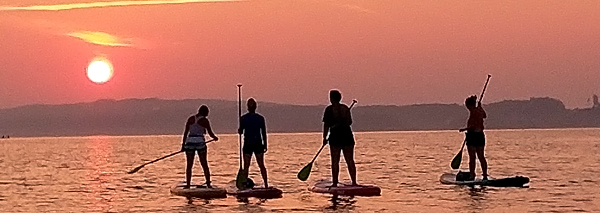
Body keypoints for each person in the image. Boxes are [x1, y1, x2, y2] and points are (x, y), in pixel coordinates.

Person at [322, 90, 357, 187]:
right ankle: (353, 182)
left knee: (335, 161)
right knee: (350, 160)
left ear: (332, 98)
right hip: (347, 135)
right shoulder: (345, 108)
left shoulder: (329, 109)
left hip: (336, 136)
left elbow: (326, 125)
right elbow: (350, 122)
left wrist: (324, 138)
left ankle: (335, 183)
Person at [181, 105, 219, 188]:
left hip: (189, 142)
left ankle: (188, 184)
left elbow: (185, 132)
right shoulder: (205, 121)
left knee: (189, 165)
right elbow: (210, 133)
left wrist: (183, 145)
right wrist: (215, 138)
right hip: (200, 143)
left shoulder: (190, 119)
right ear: (205, 112)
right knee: (204, 164)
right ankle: (208, 184)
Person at [238, 98, 269, 188]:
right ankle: (266, 184)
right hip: (257, 144)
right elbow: (264, 133)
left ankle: (244, 185)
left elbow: (241, 131)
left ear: (247, 107)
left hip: (249, 144)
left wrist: (239, 130)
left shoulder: (243, 118)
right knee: (261, 165)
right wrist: (265, 144)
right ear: (256, 107)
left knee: (246, 166)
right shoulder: (260, 118)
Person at [459, 95, 488, 181]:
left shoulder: (473, 112)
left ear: (469, 105)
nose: (467, 108)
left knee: (472, 157)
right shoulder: (479, 110)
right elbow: (484, 116)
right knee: (481, 156)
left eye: (467, 106)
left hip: (473, 136)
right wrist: (480, 106)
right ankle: (485, 175)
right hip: (480, 136)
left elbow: (472, 126)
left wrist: (464, 129)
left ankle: (472, 175)